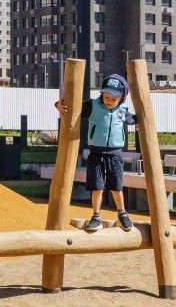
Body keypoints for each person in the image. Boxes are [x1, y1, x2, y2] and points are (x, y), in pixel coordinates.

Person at [55, 74, 136, 232]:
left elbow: (134, 119)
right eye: (106, 97)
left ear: (122, 98)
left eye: (114, 98)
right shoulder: (93, 106)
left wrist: (141, 120)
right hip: (96, 152)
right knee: (97, 186)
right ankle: (96, 216)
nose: (109, 101)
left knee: (116, 186)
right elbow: (72, 106)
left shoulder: (122, 110)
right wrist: (58, 104)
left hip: (115, 153)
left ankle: (122, 214)